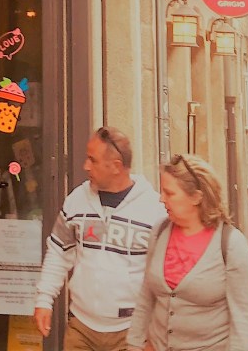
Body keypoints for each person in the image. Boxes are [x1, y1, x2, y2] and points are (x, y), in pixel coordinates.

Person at [33, 126, 166, 350]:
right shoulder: (77, 200)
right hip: (81, 329)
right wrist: (44, 299)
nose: (85, 166)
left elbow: (164, 276)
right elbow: (58, 252)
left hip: (132, 331)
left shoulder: (154, 210)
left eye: (92, 160)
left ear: (116, 166)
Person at [127, 154, 248, 351]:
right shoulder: (159, 232)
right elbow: (146, 297)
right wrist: (134, 344)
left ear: (196, 197)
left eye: (169, 193)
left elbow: (244, 320)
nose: (161, 199)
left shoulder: (231, 244)